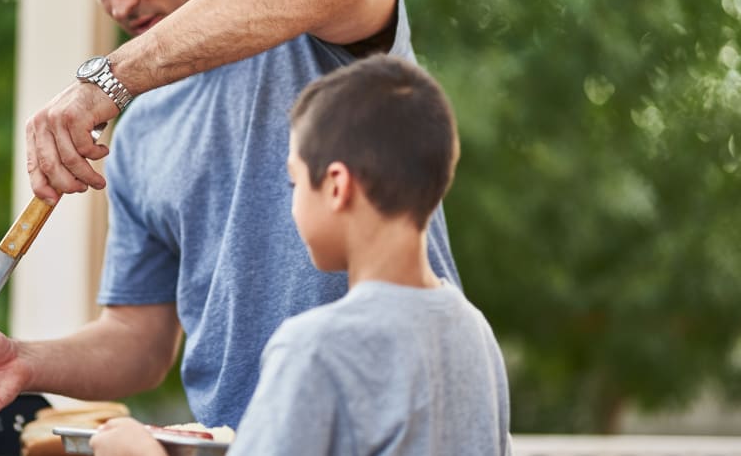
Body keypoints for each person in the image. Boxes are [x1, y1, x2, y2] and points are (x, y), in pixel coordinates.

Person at [0, 0, 461, 428]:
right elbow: (139, 341)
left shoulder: (324, 34)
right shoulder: (139, 130)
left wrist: (109, 79)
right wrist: (25, 361)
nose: (118, 3)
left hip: (392, 425)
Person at [89, 55, 512, 456]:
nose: (292, 204)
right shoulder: (474, 333)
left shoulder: (315, 348)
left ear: (335, 186)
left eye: (293, 183)